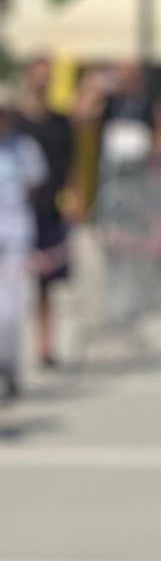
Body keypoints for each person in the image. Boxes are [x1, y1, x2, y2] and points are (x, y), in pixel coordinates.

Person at [17, 55, 74, 368]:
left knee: (46, 283)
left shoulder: (59, 121)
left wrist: (73, 199)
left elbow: (71, 163)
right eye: (38, 75)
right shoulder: (14, 119)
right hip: (15, 211)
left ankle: (46, 346)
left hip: (50, 207)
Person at [0, 82, 49, 397]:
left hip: (15, 233)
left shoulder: (25, 148)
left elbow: (34, 186)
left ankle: (10, 365)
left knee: (12, 307)